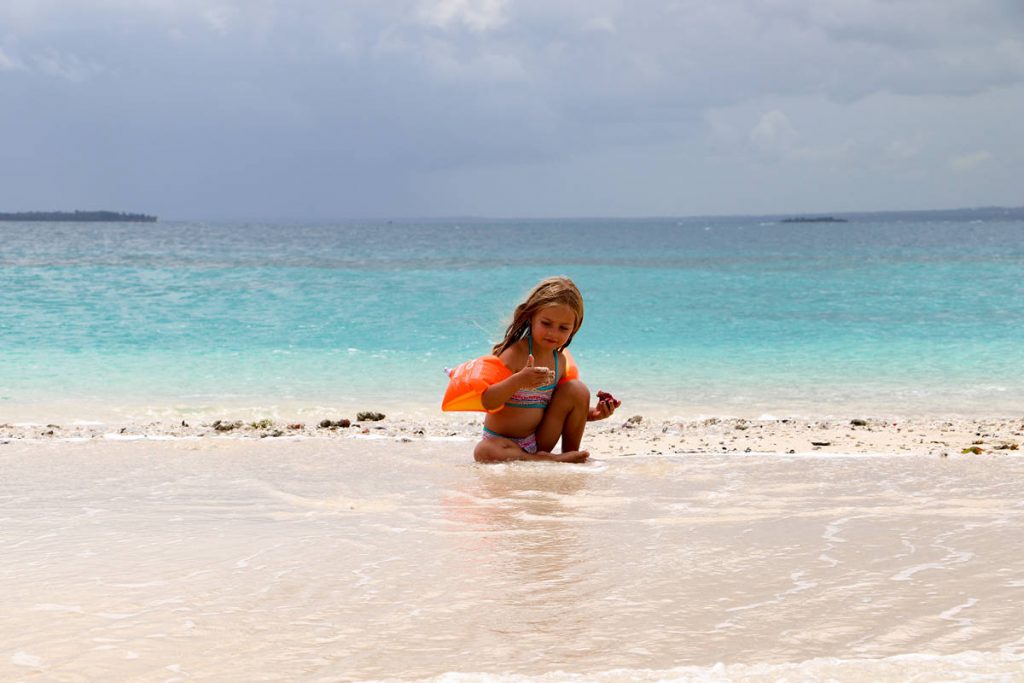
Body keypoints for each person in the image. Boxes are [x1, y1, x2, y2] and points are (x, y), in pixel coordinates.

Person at [474, 276, 621, 463]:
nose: (553, 333)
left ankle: (570, 455)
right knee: (483, 451)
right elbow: (487, 401)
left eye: (563, 328)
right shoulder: (514, 354)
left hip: (537, 441)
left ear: (574, 329)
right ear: (531, 316)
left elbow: (561, 408)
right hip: (502, 444)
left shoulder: (558, 361)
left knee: (577, 389)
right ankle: (545, 460)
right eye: (546, 323)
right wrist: (519, 380)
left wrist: (596, 414)